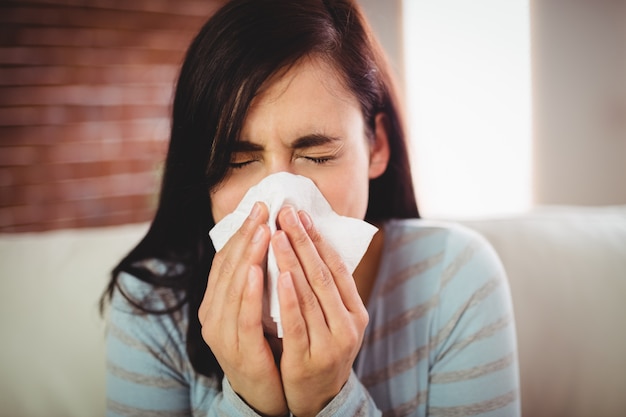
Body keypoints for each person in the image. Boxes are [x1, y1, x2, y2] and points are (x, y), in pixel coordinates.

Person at [102, 0, 521, 416]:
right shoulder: (150, 305)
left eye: (317, 156)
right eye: (238, 161)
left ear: (376, 146)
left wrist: (330, 398)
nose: (280, 201)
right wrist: (249, 401)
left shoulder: (454, 279)